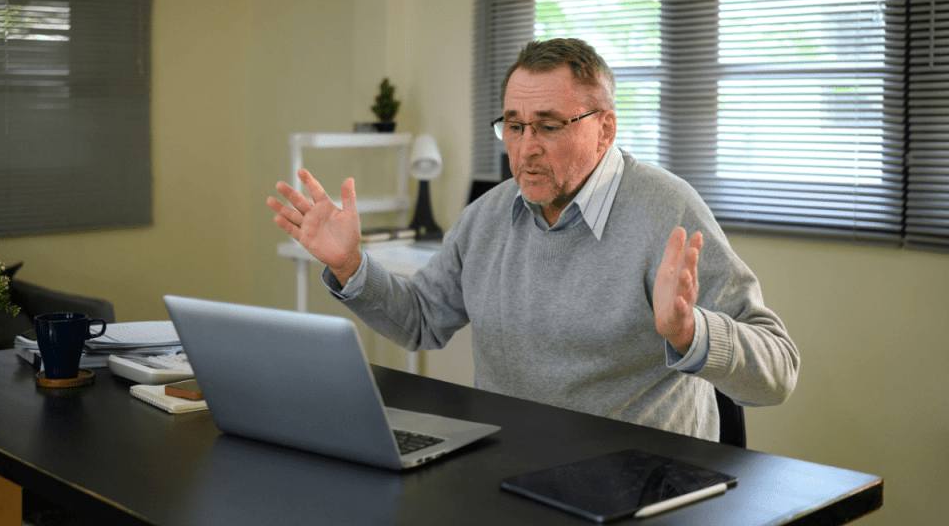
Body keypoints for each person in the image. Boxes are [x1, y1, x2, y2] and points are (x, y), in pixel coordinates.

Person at [267, 38, 799, 441]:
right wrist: (350, 265)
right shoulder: (489, 216)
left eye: (548, 126)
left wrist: (691, 334)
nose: (525, 149)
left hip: (640, 479)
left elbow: (777, 371)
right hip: (508, 471)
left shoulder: (667, 211)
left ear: (605, 129)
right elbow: (420, 320)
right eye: (514, 126)